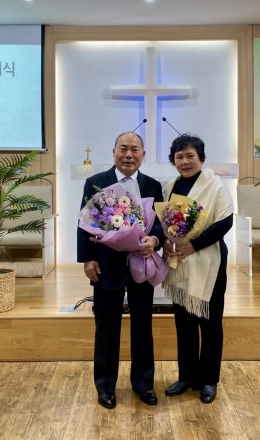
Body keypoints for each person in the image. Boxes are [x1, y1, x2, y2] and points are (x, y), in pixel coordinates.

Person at [77, 132, 164, 409]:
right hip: (106, 265)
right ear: (113, 151)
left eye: (134, 150)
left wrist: (154, 240)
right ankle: (105, 386)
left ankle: (144, 384)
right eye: (123, 149)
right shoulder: (96, 182)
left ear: (143, 154)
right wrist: (88, 259)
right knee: (106, 327)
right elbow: (84, 222)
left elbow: (159, 224)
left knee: (143, 326)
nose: (129, 155)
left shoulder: (152, 185)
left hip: (142, 265)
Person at [161, 134, 234, 404]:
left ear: (201, 158)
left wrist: (194, 245)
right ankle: (187, 376)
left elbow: (224, 222)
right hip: (179, 262)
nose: (185, 161)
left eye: (190, 155)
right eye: (179, 156)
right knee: (184, 322)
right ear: (173, 161)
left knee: (210, 323)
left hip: (208, 260)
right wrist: (166, 243)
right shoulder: (170, 187)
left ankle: (209, 380)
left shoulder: (214, 186)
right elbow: (165, 223)